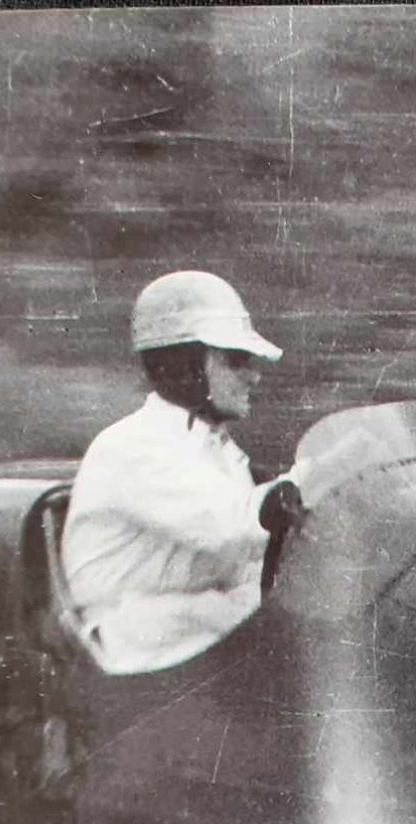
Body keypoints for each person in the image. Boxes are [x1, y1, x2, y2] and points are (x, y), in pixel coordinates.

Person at [62, 271, 300, 675]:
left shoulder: (213, 448)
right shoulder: (136, 447)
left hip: (188, 632)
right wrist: (313, 480)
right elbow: (231, 525)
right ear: (184, 366)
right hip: (137, 650)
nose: (253, 375)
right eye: (236, 360)